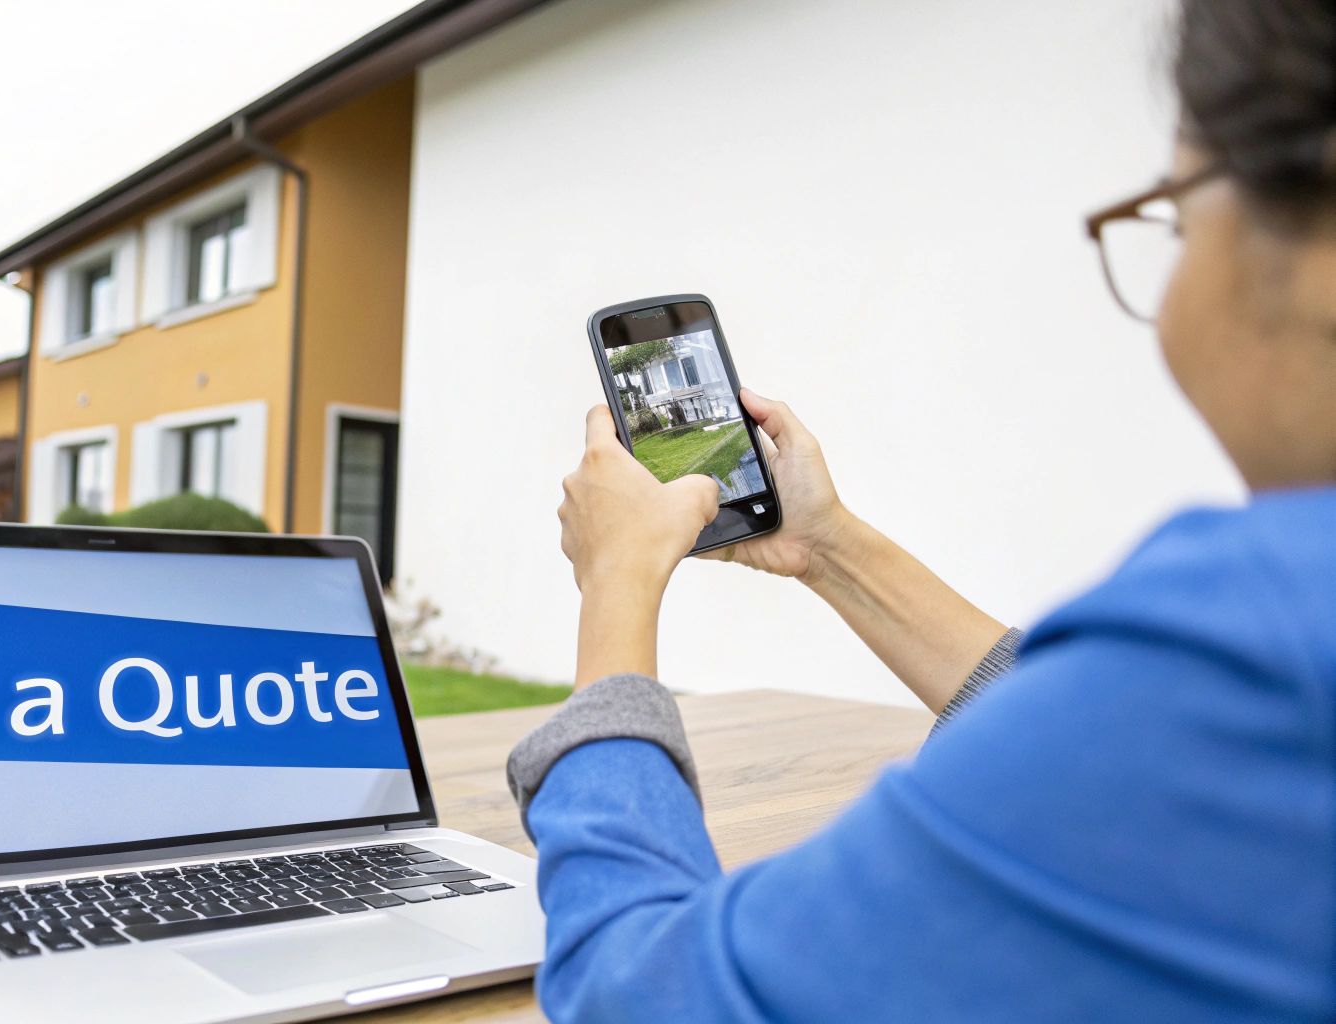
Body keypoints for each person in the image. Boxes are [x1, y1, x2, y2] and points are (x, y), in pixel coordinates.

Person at [507, 1, 1336, 1020]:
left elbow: (638, 994)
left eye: (1172, 216)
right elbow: (1081, 743)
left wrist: (615, 591)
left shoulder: (1244, 649)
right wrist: (825, 544)